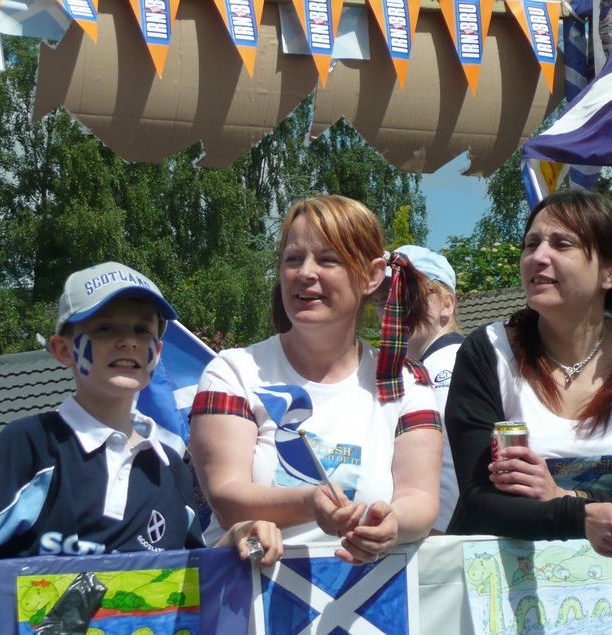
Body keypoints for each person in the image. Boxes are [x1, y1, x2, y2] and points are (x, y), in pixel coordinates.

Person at [0, 262, 283, 566]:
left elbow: (188, 573)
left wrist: (239, 535)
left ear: (157, 353)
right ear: (63, 350)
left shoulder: (171, 463)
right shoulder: (29, 443)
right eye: (105, 328)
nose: (127, 341)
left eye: (142, 330)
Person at [189, 195, 443, 566]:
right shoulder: (232, 372)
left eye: (328, 259)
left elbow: (420, 498)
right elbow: (226, 497)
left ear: (371, 276)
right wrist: (309, 502)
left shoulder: (408, 381)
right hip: (248, 600)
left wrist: (392, 523)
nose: (306, 272)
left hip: (372, 607)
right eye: (293, 259)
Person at [445, 190, 612, 558]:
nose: (538, 257)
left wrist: (565, 498)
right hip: (503, 580)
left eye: (562, 244)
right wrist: (582, 517)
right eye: (531, 244)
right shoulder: (487, 350)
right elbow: (481, 502)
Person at [369, 245, 462, 533]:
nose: (392, 306)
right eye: (384, 298)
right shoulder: (413, 370)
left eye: (406, 295)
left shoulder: (449, 368)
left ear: (447, 305)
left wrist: (431, 535)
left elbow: (451, 468)